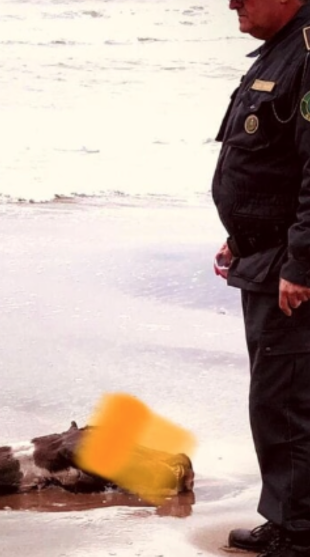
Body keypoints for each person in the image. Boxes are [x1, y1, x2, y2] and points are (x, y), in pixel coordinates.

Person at [215, 1, 310, 555]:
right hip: (267, 254)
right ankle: (293, 519)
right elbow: (272, 162)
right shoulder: (282, 49)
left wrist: (302, 265)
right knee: (279, 397)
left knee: (285, 402)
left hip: (288, 269)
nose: (232, 2)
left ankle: (297, 532)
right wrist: (240, 235)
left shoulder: (307, 53)